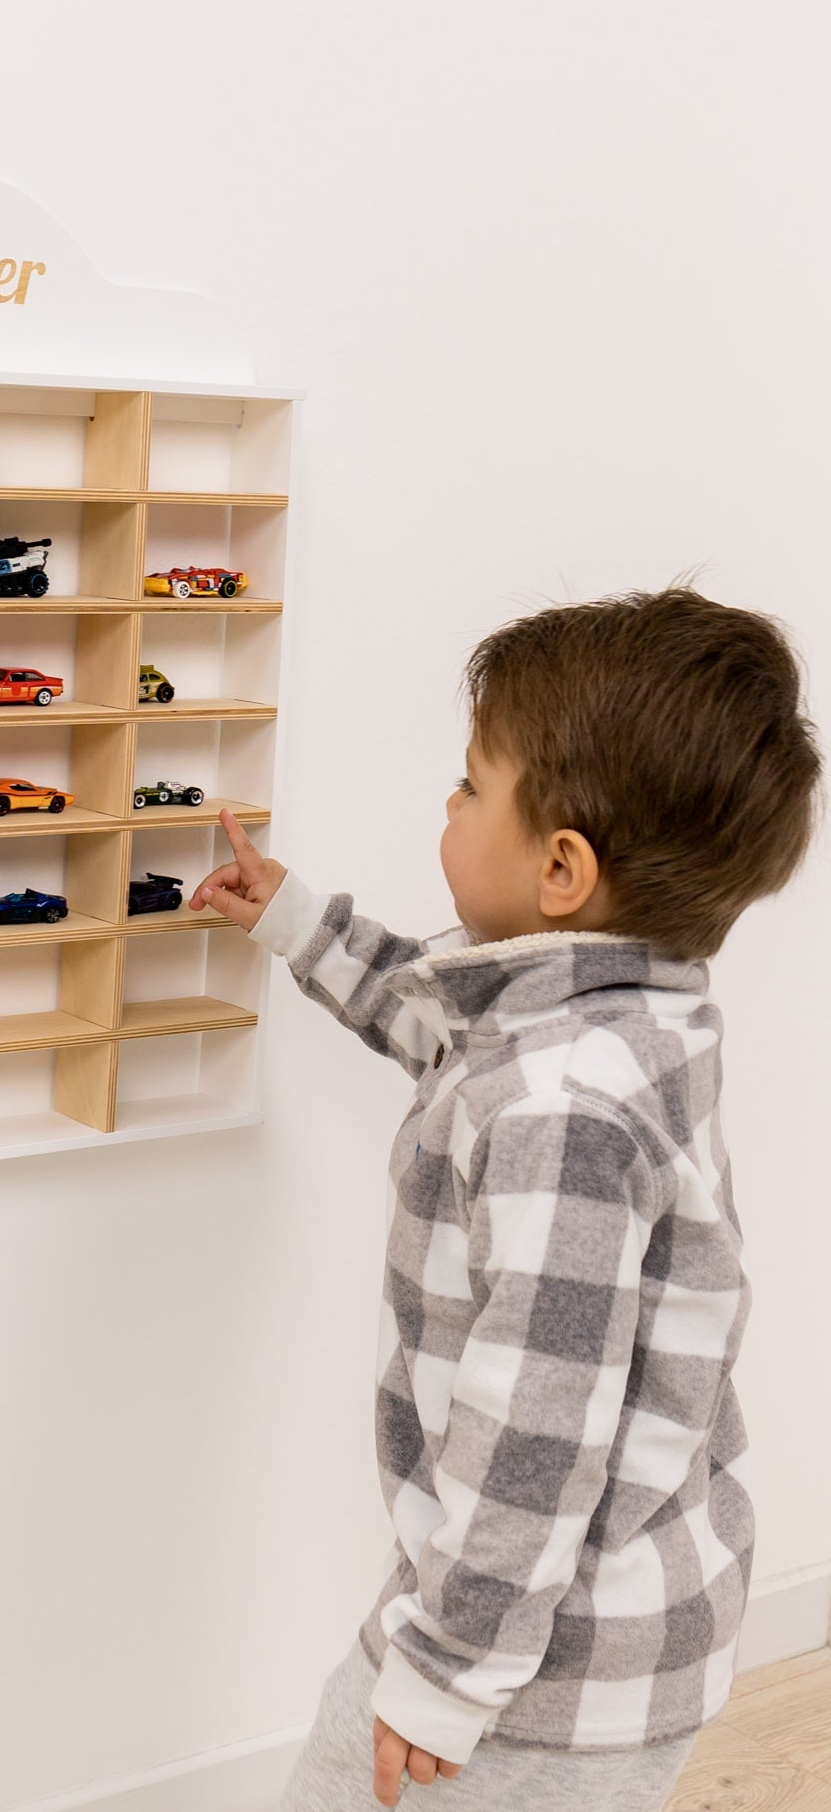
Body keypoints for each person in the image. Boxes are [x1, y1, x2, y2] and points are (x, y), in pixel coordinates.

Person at [189, 587, 821, 1810]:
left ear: (560, 866)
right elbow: (444, 1029)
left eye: (472, 785)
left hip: (541, 1660)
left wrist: (444, 1672)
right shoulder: (628, 1012)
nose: (447, 801)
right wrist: (295, 921)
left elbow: (535, 1427)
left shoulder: (561, 1113)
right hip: (614, 1612)